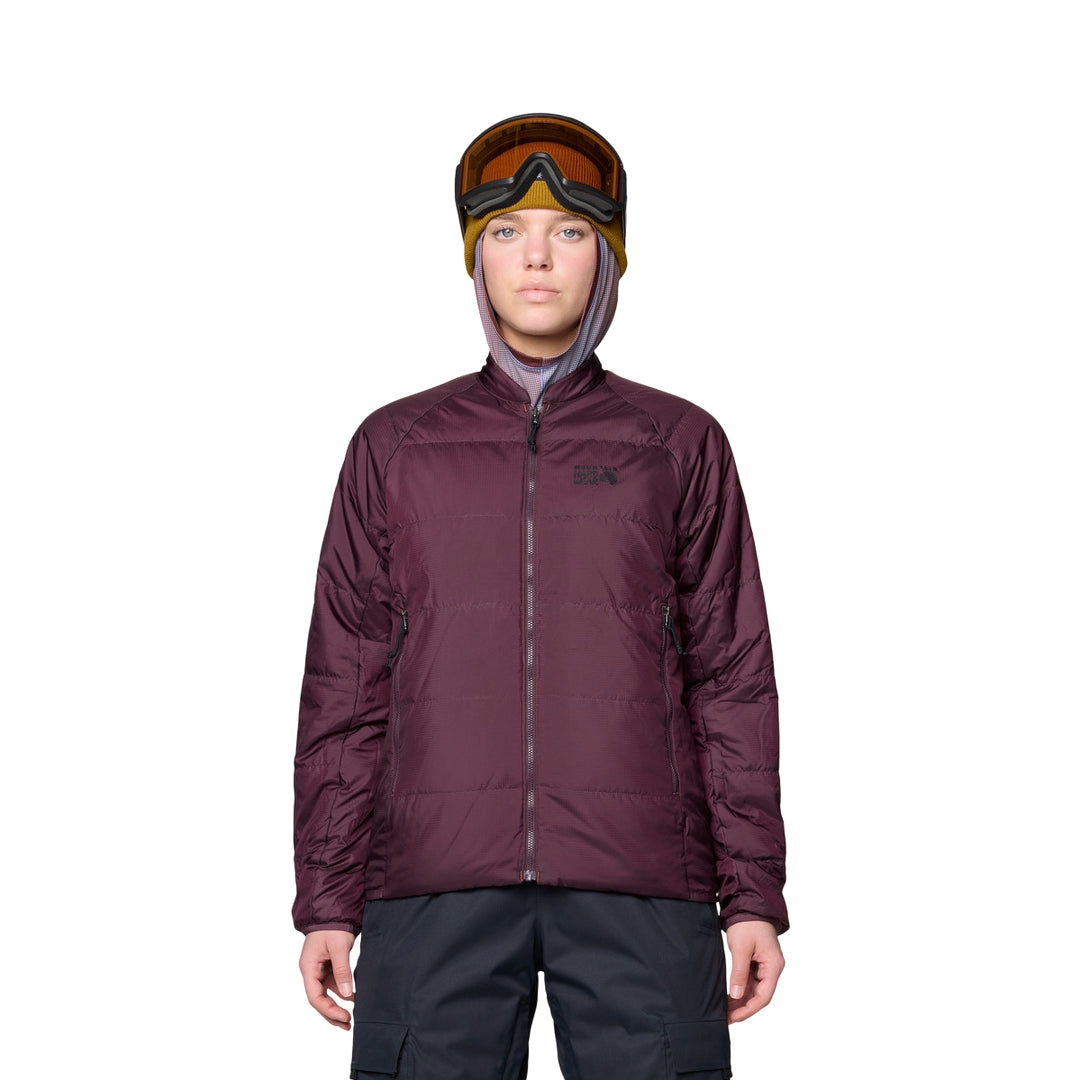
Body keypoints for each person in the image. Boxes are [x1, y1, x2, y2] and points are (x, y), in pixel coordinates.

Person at [293, 113, 788, 1080]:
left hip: (643, 877)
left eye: (569, 231)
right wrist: (328, 898)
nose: (536, 257)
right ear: (475, 258)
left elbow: (732, 681)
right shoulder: (395, 447)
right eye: (507, 231)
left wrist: (753, 894)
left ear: (608, 259)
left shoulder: (678, 444)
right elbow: (346, 688)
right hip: (433, 880)